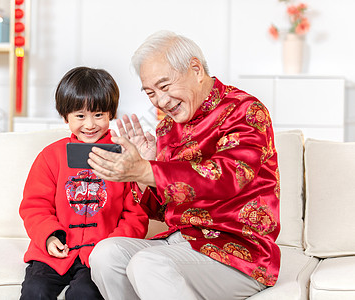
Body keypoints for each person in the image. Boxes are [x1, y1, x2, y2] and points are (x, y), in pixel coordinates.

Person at [87, 30, 281, 299]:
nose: (161, 101)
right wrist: (146, 168)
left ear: (195, 69)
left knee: (148, 263)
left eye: (165, 87)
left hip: (238, 251)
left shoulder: (245, 111)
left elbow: (225, 178)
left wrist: (147, 170)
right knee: (106, 254)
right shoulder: (168, 126)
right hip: (181, 241)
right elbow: (160, 210)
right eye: (151, 93)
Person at [19, 66, 149, 300]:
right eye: (80, 116)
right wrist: (49, 237)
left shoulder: (126, 158)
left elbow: (136, 215)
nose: (89, 124)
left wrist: (109, 250)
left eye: (98, 114)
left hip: (98, 257)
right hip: (54, 253)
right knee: (34, 291)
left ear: (111, 113)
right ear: (64, 116)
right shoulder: (50, 156)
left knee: (84, 294)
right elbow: (34, 206)